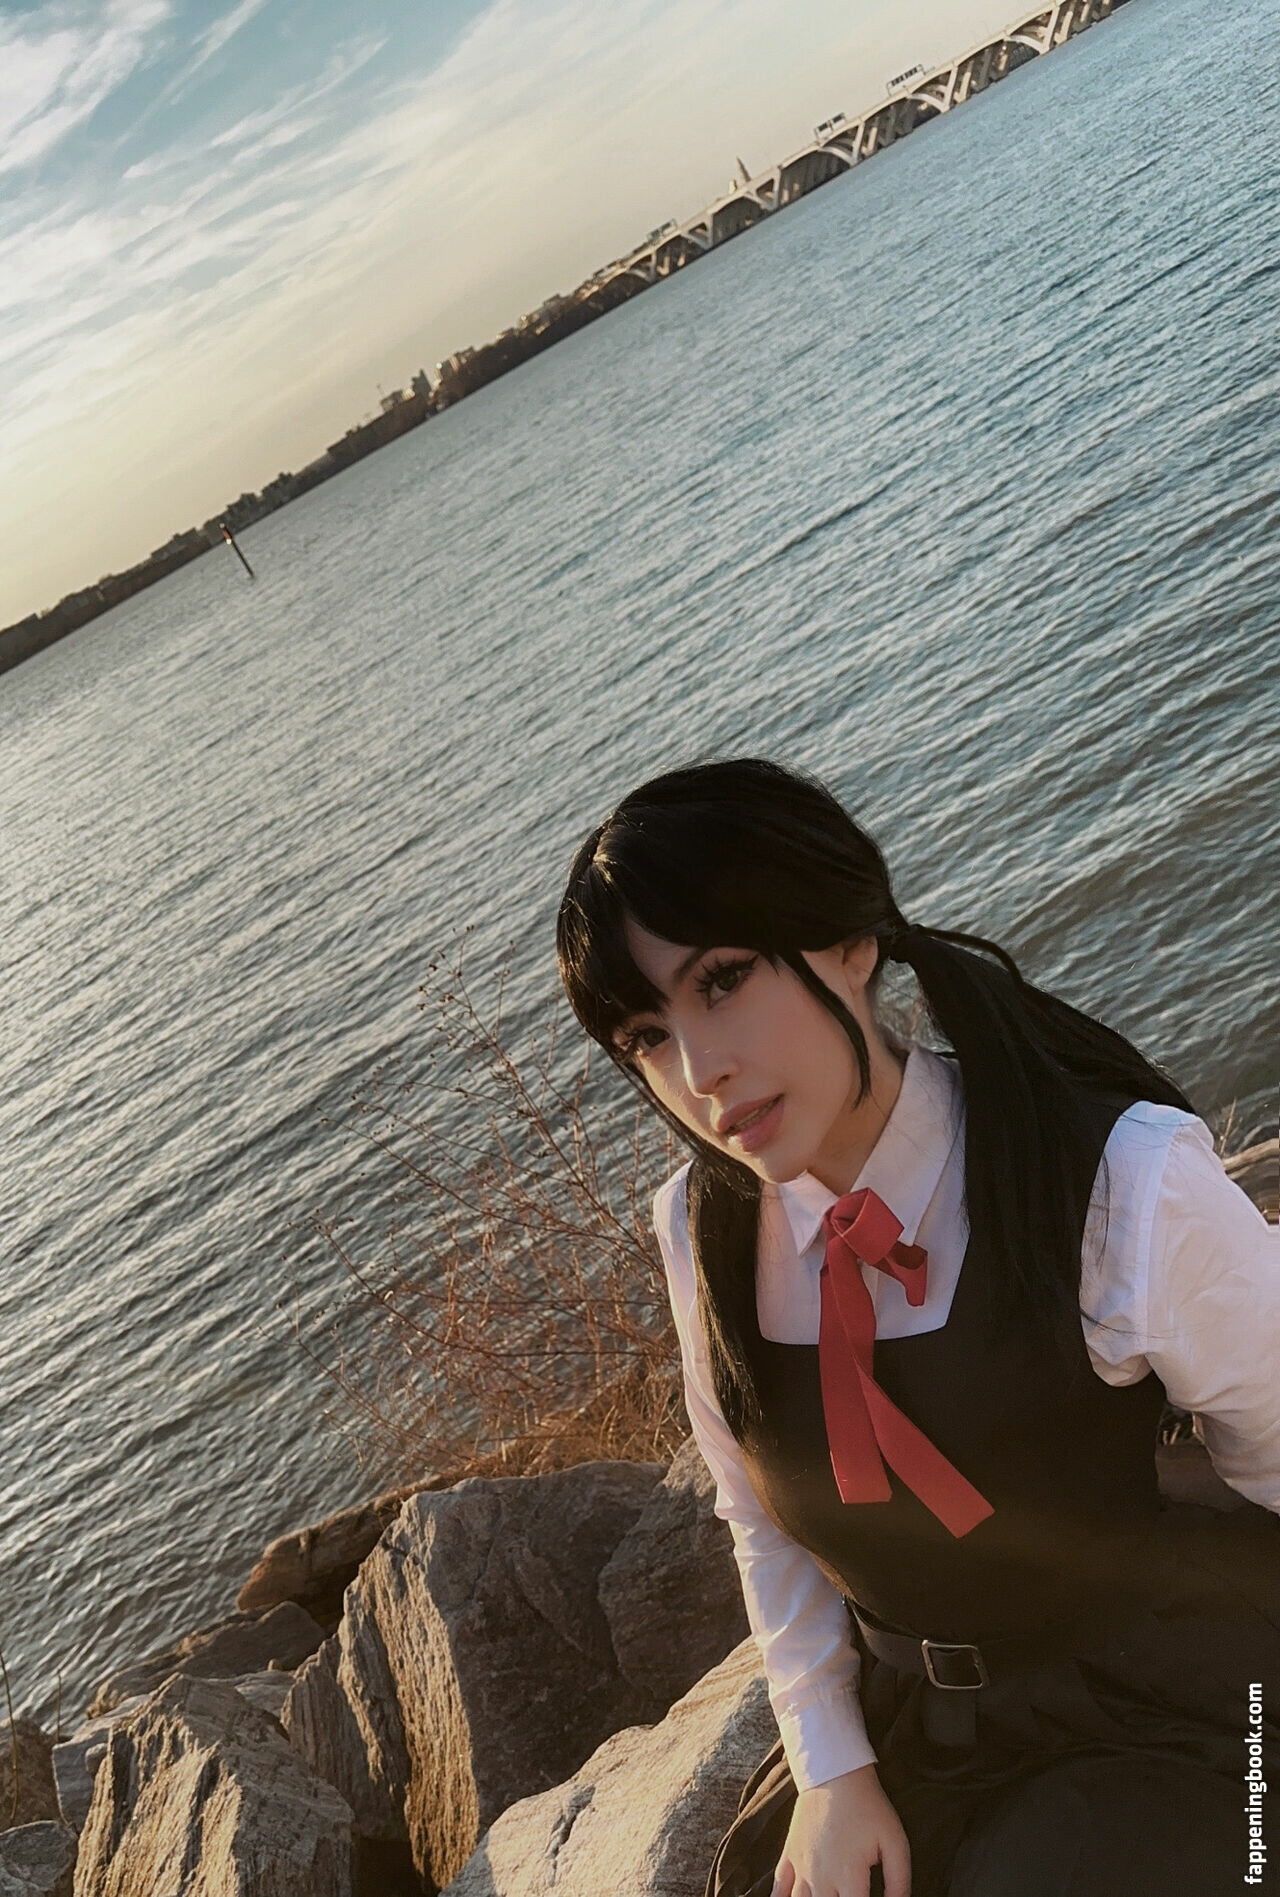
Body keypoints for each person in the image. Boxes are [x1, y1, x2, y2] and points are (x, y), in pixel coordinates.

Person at [554, 757, 1279, 1897]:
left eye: (722, 980)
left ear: (849, 941)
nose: (699, 1070)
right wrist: (829, 1765)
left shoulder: (1116, 1185)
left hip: (1171, 1704)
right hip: (907, 1734)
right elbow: (760, 1523)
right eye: (645, 1034)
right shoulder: (702, 1232)